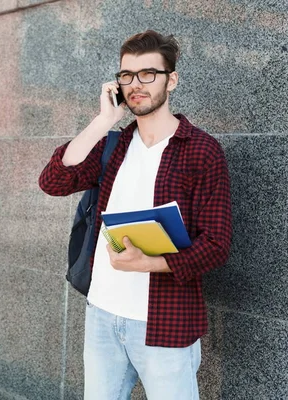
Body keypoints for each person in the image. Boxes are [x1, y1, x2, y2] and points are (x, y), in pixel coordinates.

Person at [38, 30, 232, 399]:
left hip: (166, 320)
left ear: (171, 79)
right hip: (102, 315)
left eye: (148, 74)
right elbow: (53, 181)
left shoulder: (201, 151)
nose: (135, 85)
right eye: (126, 75)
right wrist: (102, 121)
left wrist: (150, 262)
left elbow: (216, 245)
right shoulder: (114, 144)